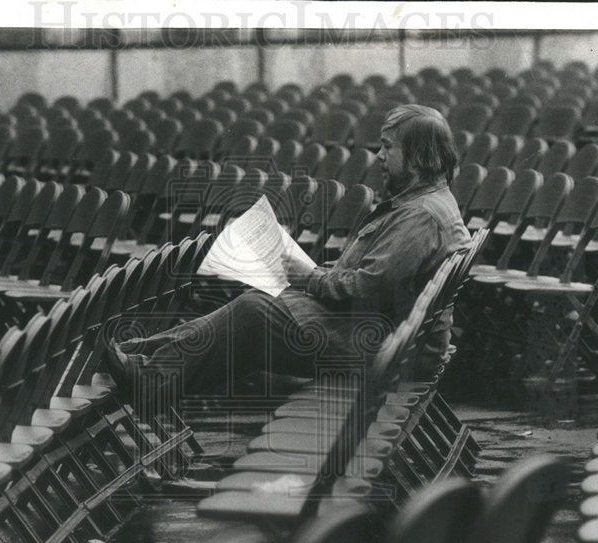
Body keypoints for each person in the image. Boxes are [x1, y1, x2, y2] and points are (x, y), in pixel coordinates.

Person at [107, 104, 471, 410]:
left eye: (388, 147)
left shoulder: (421, 215)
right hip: (381, 336)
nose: (379, 156)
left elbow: (368, 288)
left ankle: (148, 378)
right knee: (259, 304)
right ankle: (141, 361)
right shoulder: (421, 204)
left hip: (384, 349)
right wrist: (310, 275)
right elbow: (373, 278)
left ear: (419, 157)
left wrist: (308, 277)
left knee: (255, 313)